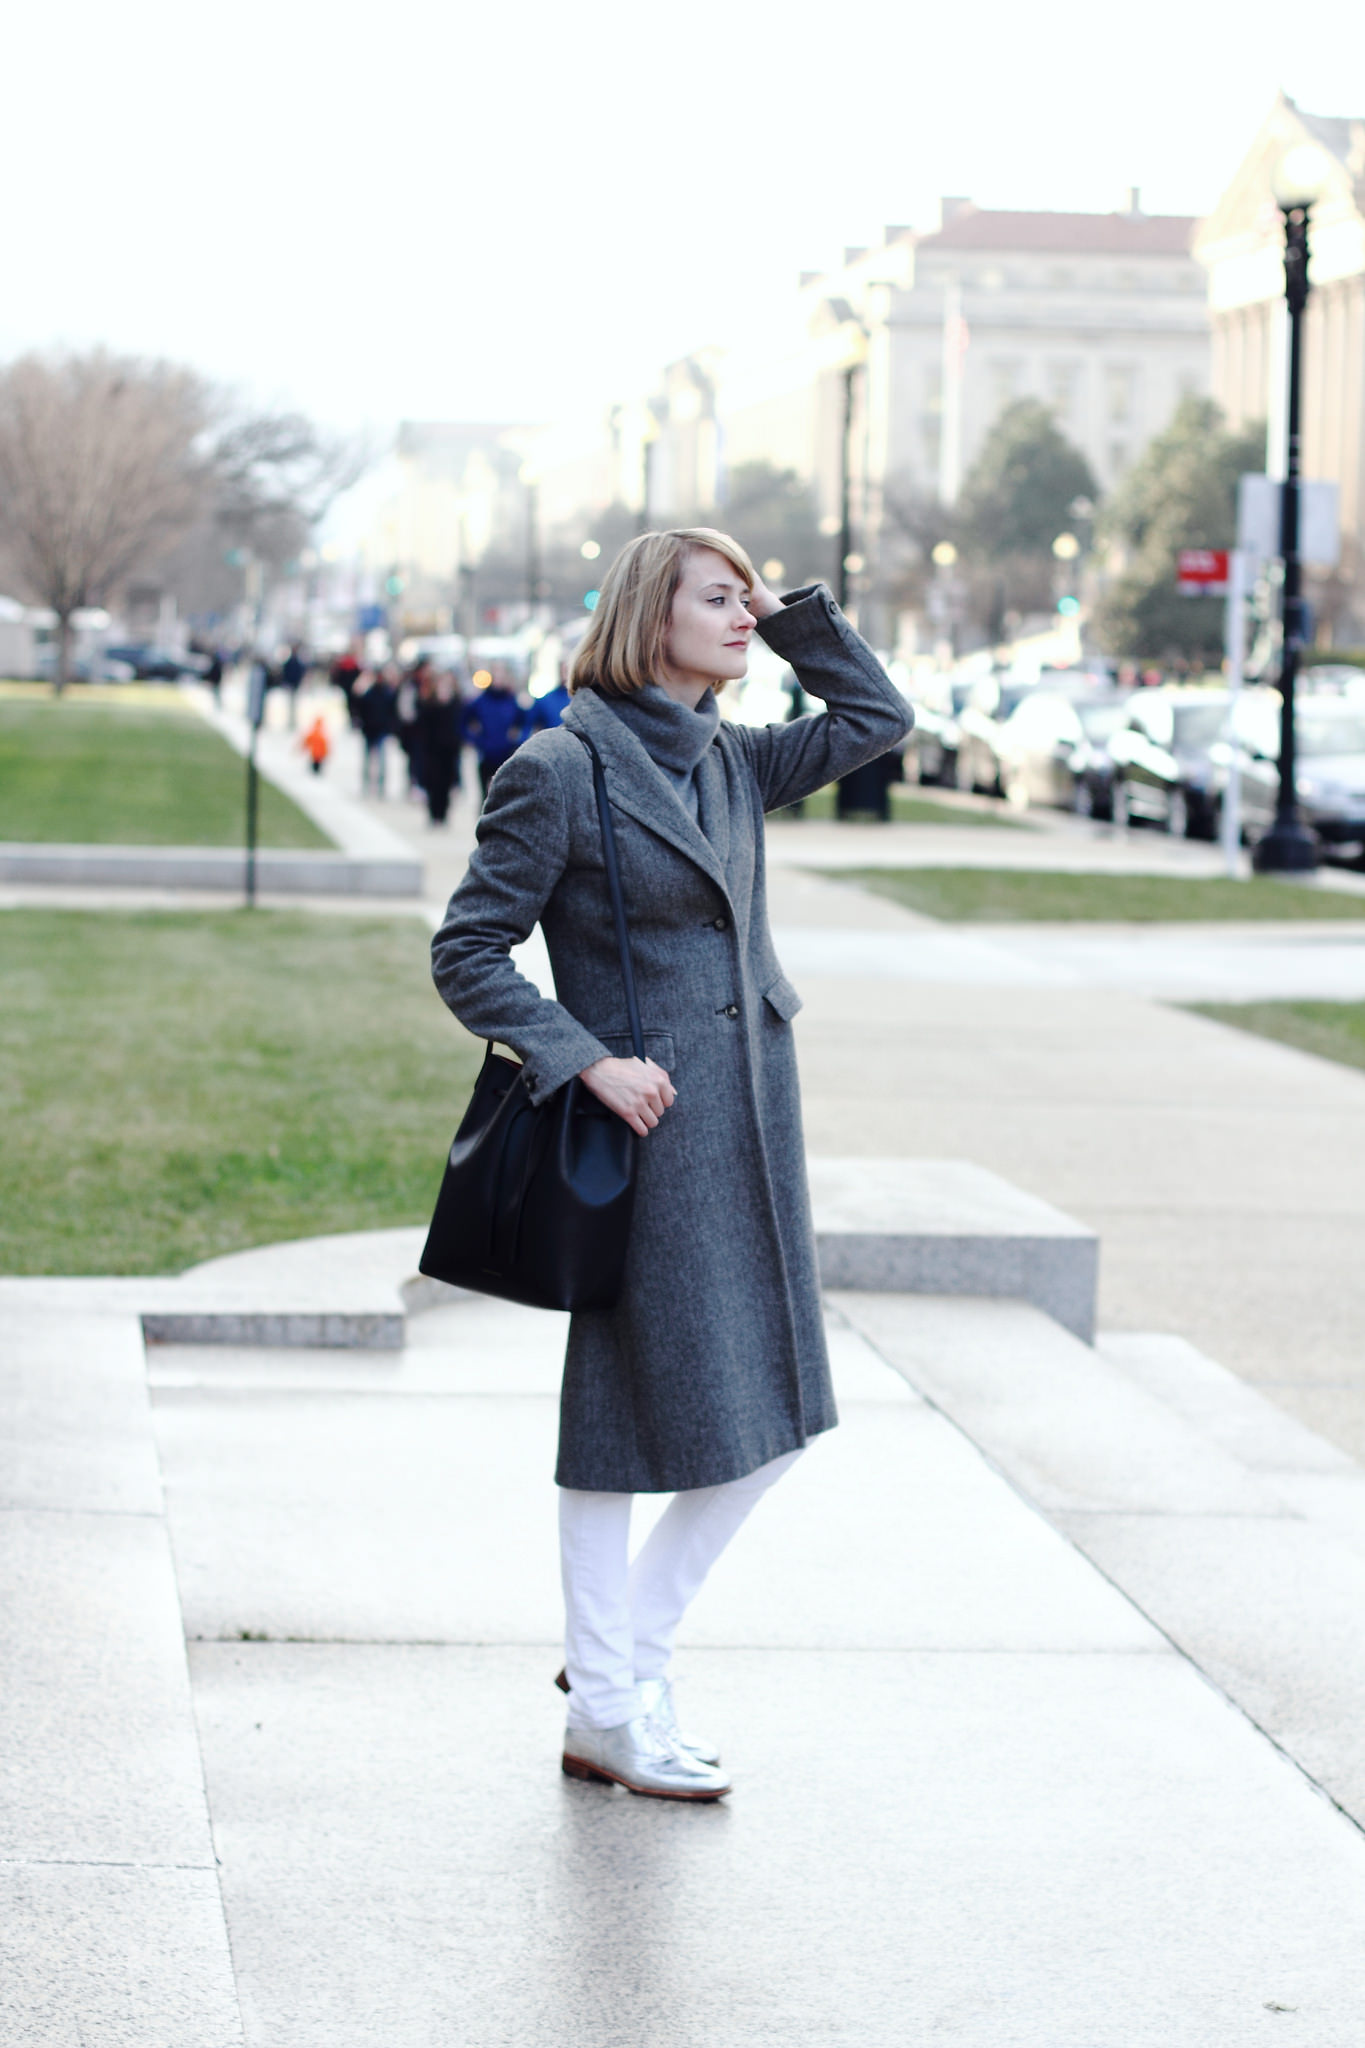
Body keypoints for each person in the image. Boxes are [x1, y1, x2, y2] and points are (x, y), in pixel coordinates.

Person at [431, 529, 912, 1801]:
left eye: (748, 600)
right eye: (720, 597)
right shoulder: (560, 769)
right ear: (654, 614)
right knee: (620, 1422)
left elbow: (879, 713)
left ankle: (620, 1667)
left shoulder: (735, 762)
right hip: (637, 1134)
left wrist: (794, 611)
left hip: (751, 1125)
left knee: (776, 1413)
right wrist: (585, 1057)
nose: (743, 616)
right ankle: (608, 1698)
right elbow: (469, 951)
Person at [462, 664, 528, 798]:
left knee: (506, 795)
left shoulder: (512, 701)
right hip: (486, 754)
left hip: (506, 754)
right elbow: (464, 721)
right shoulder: (480, 701)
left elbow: (524, 722)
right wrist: (475, 739)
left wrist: (517, 739)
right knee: (484, 796)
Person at [413, 668, 462, 824]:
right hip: (432, 752)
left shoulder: (456, 706)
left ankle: (443, 813)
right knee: (433, 783)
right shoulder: (429, 706)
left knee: (446, 784)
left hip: (449, 752)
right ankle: (434, 813)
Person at [355, 666, 397, 796]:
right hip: (370, 729)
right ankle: (367, 784)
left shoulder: (386, 693)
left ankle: (380, 786)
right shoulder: (369, 693)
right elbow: (360, 707)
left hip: (380, 730)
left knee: (381, 759)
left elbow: (392, 710)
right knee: (369, 759)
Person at [526, 664, 571, 732]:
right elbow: (532, 727)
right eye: (564, 670)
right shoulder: (545, 701)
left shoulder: (582, 700)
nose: (565, 674)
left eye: (567, 670)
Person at [280, 643, 307, 729]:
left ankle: (293, 721)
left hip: (295, 685)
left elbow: (300, 672)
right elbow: (285, 673)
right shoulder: (290, 662)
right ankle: (290, 721)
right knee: (290, 704)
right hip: (291, 685)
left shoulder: (297, 662)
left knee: (294, 704)